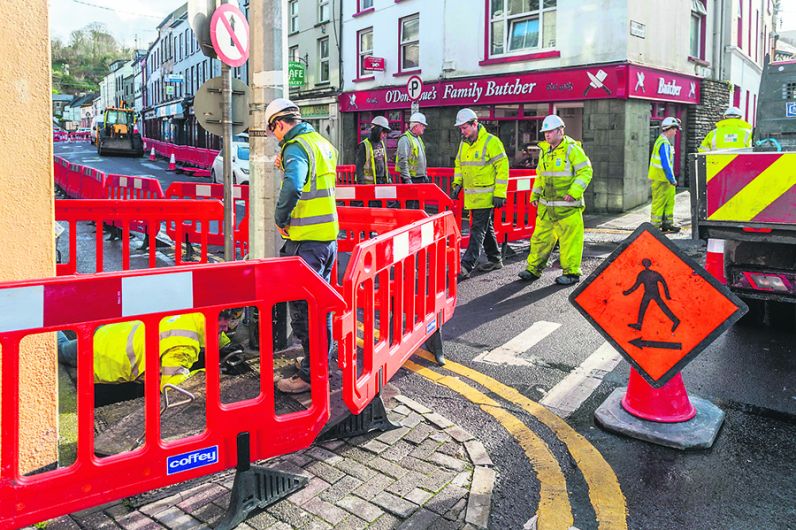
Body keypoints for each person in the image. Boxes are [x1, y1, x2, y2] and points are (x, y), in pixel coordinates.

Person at [266, 98, 339, 394]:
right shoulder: (320, 142)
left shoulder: (296, 147)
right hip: (327, 238)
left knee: (304, 311)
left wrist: (280, 217)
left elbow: (295, 185)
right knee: (321, 308)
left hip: (305, 242)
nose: (275, 138)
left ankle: (310, 375)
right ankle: (320, 360)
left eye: (274, 132)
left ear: (280, 124)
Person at [57, 310, 236, 391]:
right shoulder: (183, 343)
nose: (227, 329)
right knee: (59, 350)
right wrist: (212, 374)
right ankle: (44, 328)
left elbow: (212, 332)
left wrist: (226, 346)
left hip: (112, 334)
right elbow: (172, 385)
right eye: (223, 326)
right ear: (212, 318)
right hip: (101, 353)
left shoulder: (195, 314)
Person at [518, 115, 593, 286]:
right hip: (547, 208)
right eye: (545, 132)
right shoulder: (545, 151)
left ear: (561, 130)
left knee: (570, 242)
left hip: (568, 208)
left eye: (550, 131)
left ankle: (571, 273)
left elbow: (586, 172)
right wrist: (534, 195)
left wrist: (574, 192)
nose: (547, 135)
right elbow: (540, 176)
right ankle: (533, 269)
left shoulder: (572, 150)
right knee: (540, 239)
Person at [451, 108, 509, 280]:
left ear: (475, 124)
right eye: (460, 128)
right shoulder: (464, 144)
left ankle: (466, 265)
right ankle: (495, 258)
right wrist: (457, 184)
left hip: (485, 197)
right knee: (485, 227)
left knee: (477, 230)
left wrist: (500, 193)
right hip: (472, 197)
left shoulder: (492, 141)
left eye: (464, 128)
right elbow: (459, 164)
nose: (462, 132)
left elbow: (503, 167)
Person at [648, 117, 681, 233]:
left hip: (664, 179)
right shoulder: (663, 143)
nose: (676, 132)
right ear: (669, 129)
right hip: (661, 179)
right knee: (659, 203)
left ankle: (667, 224)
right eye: (675, 129)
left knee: (669, 201)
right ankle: (655, 227)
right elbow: (666, 163)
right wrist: (672, 178)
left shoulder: (664, 141)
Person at [356, 115, 391, 184]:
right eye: (383, 132)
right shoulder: (364, 145)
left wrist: (388, 177)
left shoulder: (382, 143)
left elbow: (384, 163)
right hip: (369, 184)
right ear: (377, 130)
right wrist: (361, 183)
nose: (384, 135)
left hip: (382, 181)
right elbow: (359, 167)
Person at [395, 112, 429, 184]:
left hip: (419, 177)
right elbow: (403, 161)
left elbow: (422, 158)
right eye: (423, 125)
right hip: (411, 178)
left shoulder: (418, 138)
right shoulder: (405, 139)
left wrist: (424, 174)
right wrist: (407, 179)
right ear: (416, 126)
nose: (424, 127)